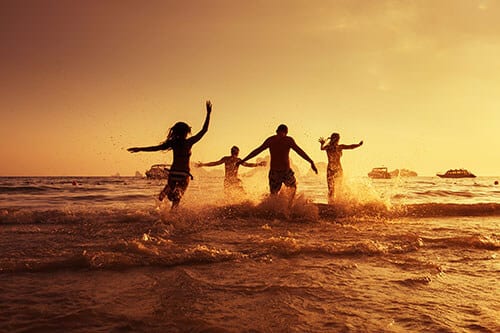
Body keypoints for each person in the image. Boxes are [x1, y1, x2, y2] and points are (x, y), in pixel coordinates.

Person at [128, 100, 212, 209]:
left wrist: (140, 149)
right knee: (176, 200)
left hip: (173, 173)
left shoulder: (173, 143)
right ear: (187, 132)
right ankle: (172, 218)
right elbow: (204, 130)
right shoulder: (189, 142)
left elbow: (155, 148)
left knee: (161, 196)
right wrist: (208, 113)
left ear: (175, 132)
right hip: (184, 174)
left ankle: (156, 212)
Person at [237, 124, 317, 202]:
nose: (281, 136)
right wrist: (311, 162)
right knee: (280, 192)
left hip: (281, 172)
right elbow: (257, 150)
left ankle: (284, 208)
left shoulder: (277, 140)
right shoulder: (282, 140)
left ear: (280, 132)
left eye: (282, 133)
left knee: (287, 190)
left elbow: (299, 151)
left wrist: (311, 161)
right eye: (280, 133)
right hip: (279, 172)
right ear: (282, 132)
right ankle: (282, 209)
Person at [196, 146, 266, 195]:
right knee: (242, 192)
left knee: (229, 196)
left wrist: (203, 164)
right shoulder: (238, 160)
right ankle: (244, 204)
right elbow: (248, 165)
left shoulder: (226, 159)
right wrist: (259, 164)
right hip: (234, 180)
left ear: (231, 152)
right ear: (237, 152)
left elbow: (215, 163)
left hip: (227, 180)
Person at [319, 132, 363, 204]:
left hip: (334, 169)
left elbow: (350, 146)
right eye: (338, 139)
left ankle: (336, 203)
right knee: (332, 189)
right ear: (336, 139)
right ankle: (331, 203)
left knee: (336, 188)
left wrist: (358, 145)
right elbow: (322, 148)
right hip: (334, 169)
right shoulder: (333, 147)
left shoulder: (334, 147)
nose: (338, 140)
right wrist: (359, 145)